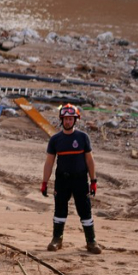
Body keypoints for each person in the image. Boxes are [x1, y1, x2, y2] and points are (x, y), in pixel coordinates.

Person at [41, 104, 102, 254]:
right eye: (66, 119)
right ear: (62, 120)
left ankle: (91, 241)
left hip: (80, 180)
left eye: (71, 119)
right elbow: (49, 162)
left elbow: (90, 161)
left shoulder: (82, 137)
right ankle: (57, 240)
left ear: (75, 120)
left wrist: (93, 181)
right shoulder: (55, 140)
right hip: (62, 180)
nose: (68, 121)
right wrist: (44, 182)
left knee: (85, 211)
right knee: (60, 211)